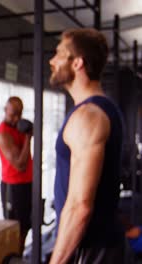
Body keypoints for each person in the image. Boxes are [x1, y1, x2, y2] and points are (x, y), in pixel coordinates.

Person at [49, 28, 125, 263]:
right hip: (92, 247)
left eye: (60, 53)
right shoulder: (100, 109)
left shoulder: (88, 116)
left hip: (89, 251)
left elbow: (80, 206)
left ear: (78, 63)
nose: (52, 60)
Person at [0, 96, 33, 254]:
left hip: (27, 184)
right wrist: (28, 137)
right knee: (14, 229)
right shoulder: (3, 134)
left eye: (19, 113)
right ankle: (12, 258)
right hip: (13, 186)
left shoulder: (18, 127)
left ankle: (19, 257)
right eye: (13, 114)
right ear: (5, 111)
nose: (17, 118)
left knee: (25, 226)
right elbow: (20, 164)